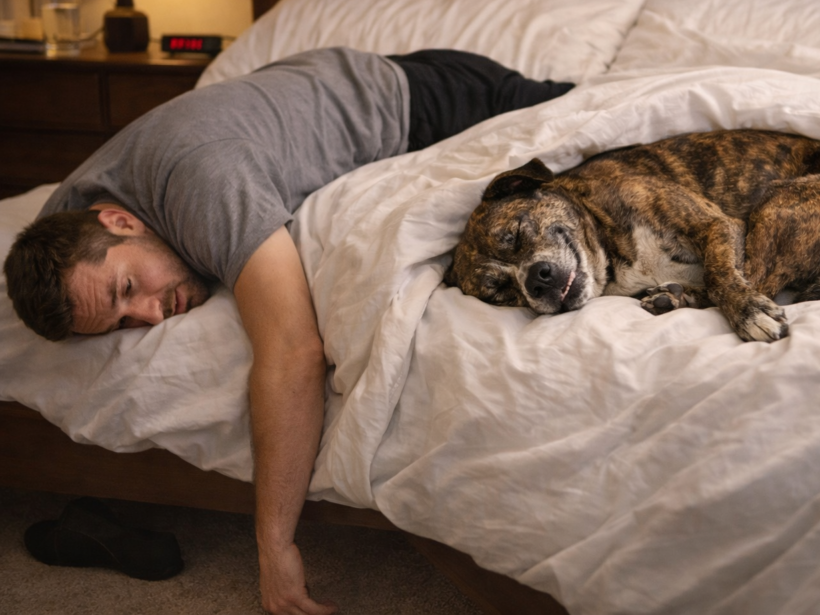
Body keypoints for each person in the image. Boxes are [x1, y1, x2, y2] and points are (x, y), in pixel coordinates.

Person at [4, 47, 573, 615]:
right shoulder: (65, 222)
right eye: (124, 323)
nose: (151, 316)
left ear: (120, 221)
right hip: (323, 81)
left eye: (128, 291)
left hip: (432, 97)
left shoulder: (206, 187)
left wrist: (273, 545)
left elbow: (294, 350)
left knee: (599, 112)